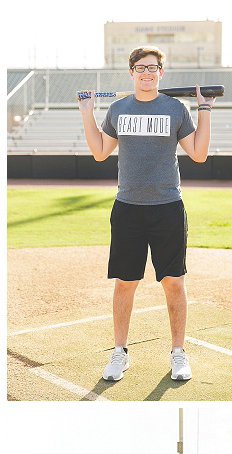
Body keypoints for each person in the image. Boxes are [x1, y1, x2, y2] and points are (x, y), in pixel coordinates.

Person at [77, 46, 213, 382]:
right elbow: (99, 152)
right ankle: (119, 352)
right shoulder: (119, 108)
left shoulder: (175, 108)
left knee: (173, 282)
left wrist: (205, 109)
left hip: (167, 208)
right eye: (140, 68)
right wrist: (87, 112)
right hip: (128, 209)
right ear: (131, 73)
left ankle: (178, 353)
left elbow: (198, 153)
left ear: (161, 73)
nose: (147, 73)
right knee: (125, 283)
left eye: (153, 68)